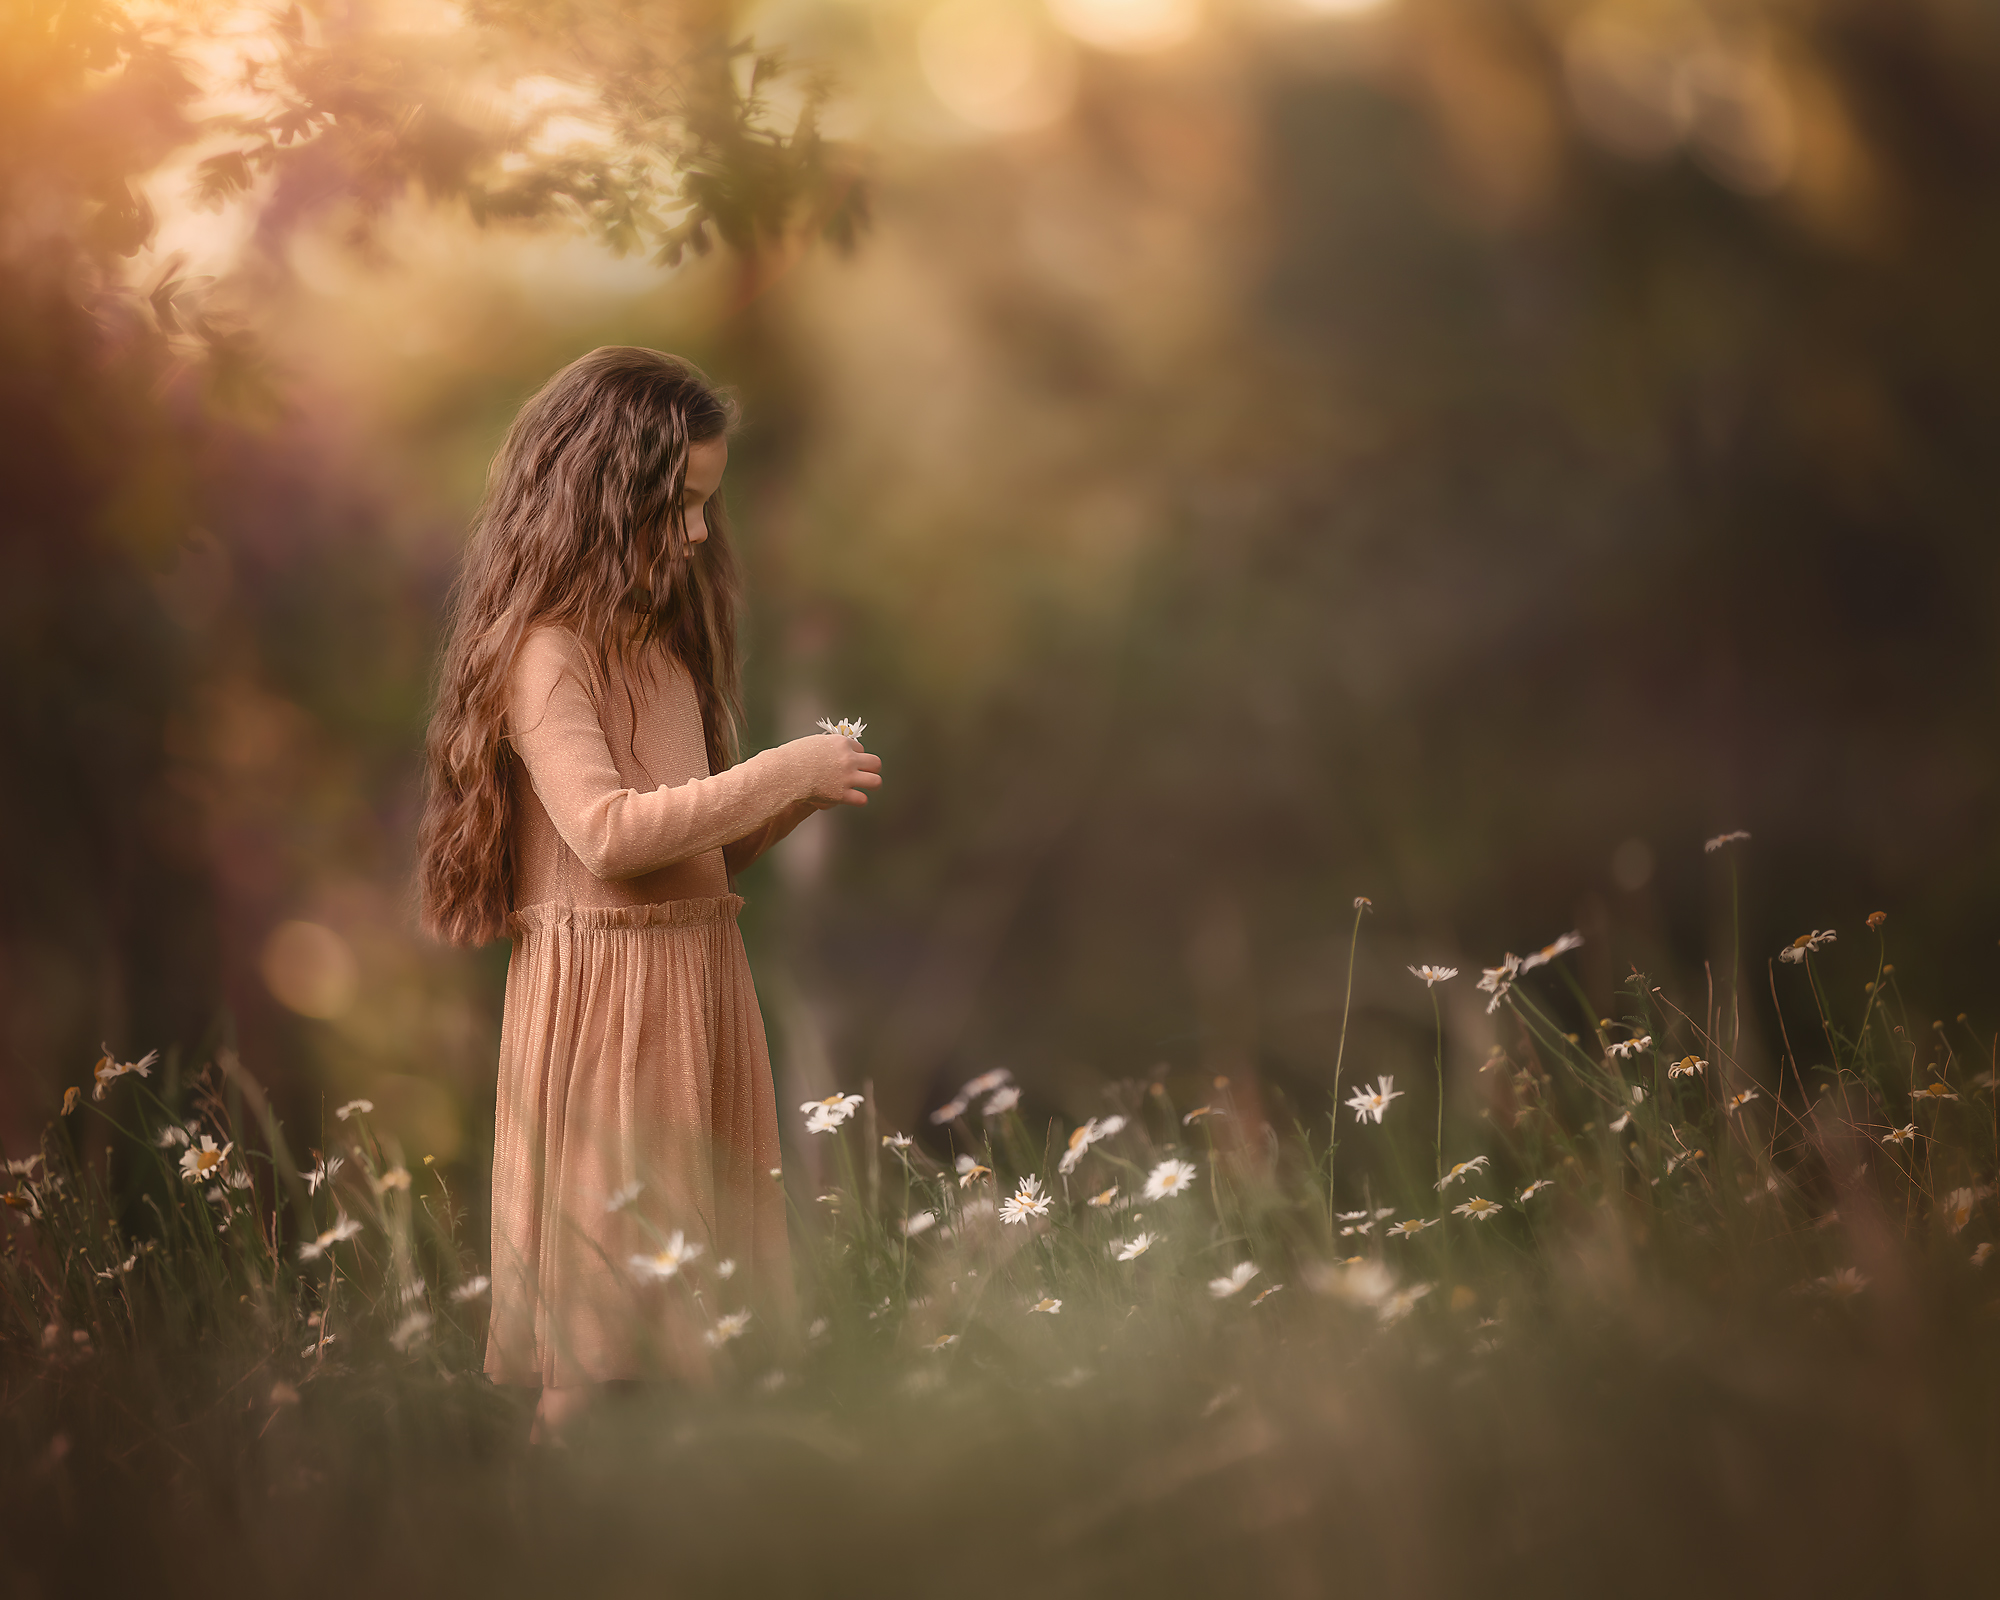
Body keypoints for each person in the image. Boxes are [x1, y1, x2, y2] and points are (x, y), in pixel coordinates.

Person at [415, 347, 881, 1440]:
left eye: (706, 507)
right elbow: (609, 836)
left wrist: (795, 800)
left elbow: (691, 864)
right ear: (600, 497)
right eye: (676, 506)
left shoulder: (658, 657)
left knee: (691, 1329)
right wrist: (775, 770)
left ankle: (666, 1539)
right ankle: (548, 1530)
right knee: (593, 1339)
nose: (697, 535)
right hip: (606, 1020)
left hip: (692, 996)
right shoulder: (545, 657)